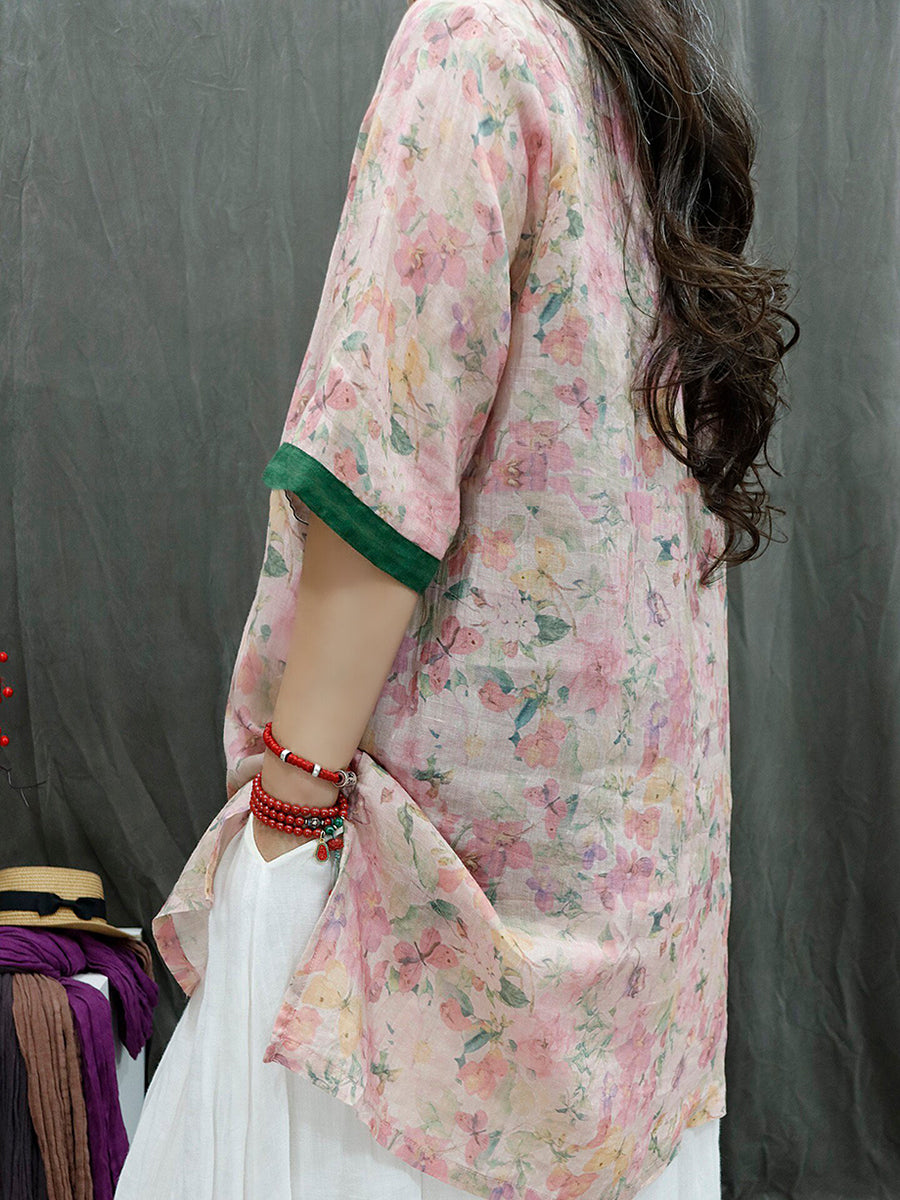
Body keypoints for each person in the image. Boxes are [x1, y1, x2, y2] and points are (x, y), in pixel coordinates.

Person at [115, 0, 797, 1197]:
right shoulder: (615, 64)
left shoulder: (473, 41)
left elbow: (383, 463)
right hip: (635, 938)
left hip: (437, 916)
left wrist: (288, 813)